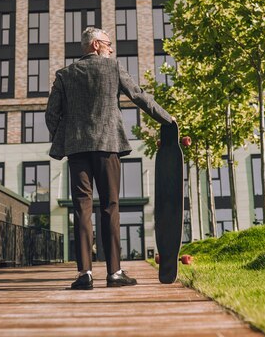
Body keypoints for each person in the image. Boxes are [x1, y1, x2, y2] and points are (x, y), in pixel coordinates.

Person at [45, 27, 174, 290]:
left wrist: (64, 135)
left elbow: (51, 115)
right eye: (108, 44)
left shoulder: (64, 75)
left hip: (77, 149)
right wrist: (168, 119)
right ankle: (114, 272)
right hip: (107, 145)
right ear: (95, 45)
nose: (112, 49)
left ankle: (84, 274)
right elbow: (138, 96)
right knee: (110, 206)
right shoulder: (113, 68)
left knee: (82, 208)